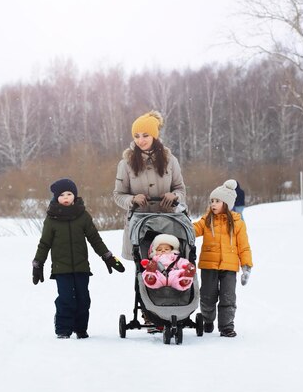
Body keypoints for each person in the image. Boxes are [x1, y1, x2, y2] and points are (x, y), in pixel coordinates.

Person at [32, 178, 125, 339]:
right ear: (56, 198)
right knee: (66, 299)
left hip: (82, 267)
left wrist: (108, 257)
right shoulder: (51, 219)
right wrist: (38, 264)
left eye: (69, 194)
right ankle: (63, 329)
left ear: (74, 195)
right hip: (61, 269)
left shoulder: (82, 216)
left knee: (83, 299)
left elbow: (94, 238)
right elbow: (44, 243)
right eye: (62, 195)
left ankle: (81, 328)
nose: (66, 197)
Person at [113, 110, 187, 260]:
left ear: (154, 135)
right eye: (136, 136)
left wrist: (174, 196)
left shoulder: (170, 160)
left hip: (168, 223)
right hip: (140, 227)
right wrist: (132, 200)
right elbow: (118, 195)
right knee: (145, 272)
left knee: (174, 268)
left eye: (145, 135)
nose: (141, 140)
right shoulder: (125, 164)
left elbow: (180, 189)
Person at [193, 179, 253, 338]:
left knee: (228, 297)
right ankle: (207, 319)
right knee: (207, 296)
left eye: (217, 201)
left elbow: (244, 246)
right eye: (211, 201)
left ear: (226, 203)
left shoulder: (237, 223)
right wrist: (183, 218)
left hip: (229, 267)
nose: (213, 204)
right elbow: (193, 230)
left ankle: (226, 326)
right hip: (209, 265)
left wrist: (246, 266)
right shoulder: (207, 219)